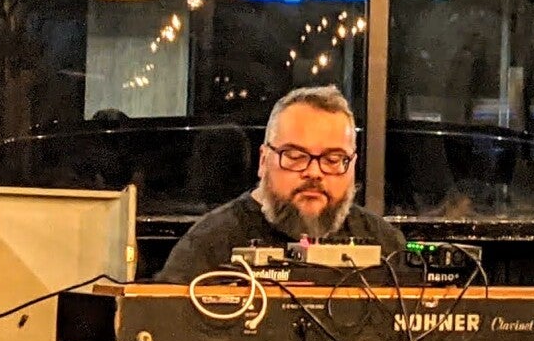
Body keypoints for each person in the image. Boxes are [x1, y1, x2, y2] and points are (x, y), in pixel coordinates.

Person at [155, 84, 404, 282]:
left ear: (353, 165)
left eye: (333, 159)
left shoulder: (386, 245)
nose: (314, 172)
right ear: (264, 161)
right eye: (295, 156)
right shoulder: (207, 247)